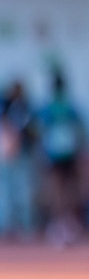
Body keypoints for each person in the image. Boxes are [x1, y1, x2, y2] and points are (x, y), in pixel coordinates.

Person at [33, 70, 86, 247]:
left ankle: (58, 223)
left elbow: (39, 130)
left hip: (54, 154)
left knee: (56, 189)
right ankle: (68, 222)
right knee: (69, 189)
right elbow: (80, 131)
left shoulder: (48, 107)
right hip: (69, 152)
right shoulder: (70, 106)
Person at [0, 80, 33, 239]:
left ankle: (24, 227)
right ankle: (6, 227)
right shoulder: (6, 107)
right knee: (7, 193)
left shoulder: (24, 107)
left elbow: (29, 131)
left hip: (20, 155)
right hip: (6, 156)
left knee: (22, 193)